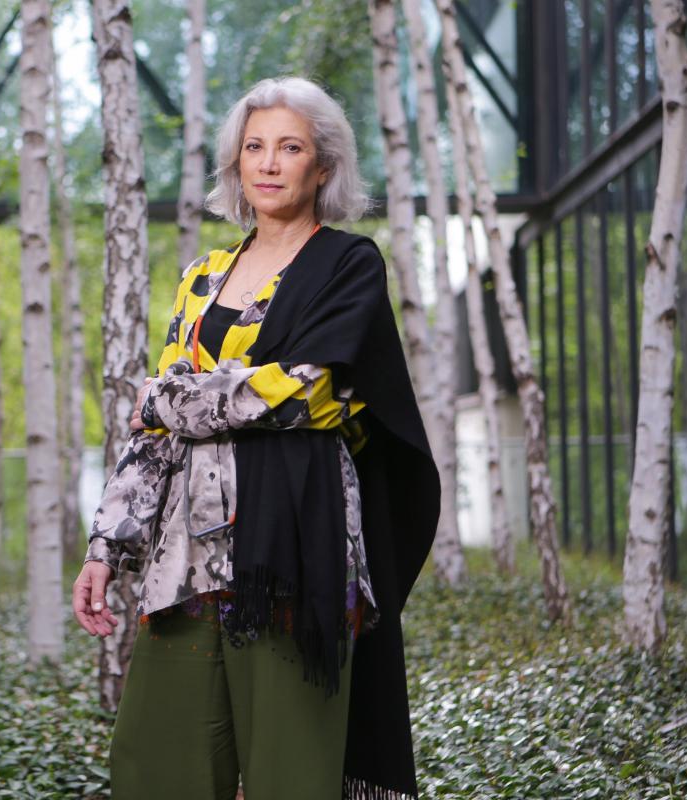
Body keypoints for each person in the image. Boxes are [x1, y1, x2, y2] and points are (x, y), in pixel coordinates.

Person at [71, 76, 439, 800]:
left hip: (297, 552)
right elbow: (157, 434)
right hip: (188, 558)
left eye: (290, 147)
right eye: (255, 148)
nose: (270, 163)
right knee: (154, 765)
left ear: (323, 165)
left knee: (290, 775)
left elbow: (310, 392)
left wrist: (170, 396)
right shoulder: (202, 280)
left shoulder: (348, 264)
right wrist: (106, 547)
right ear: (237, 166)